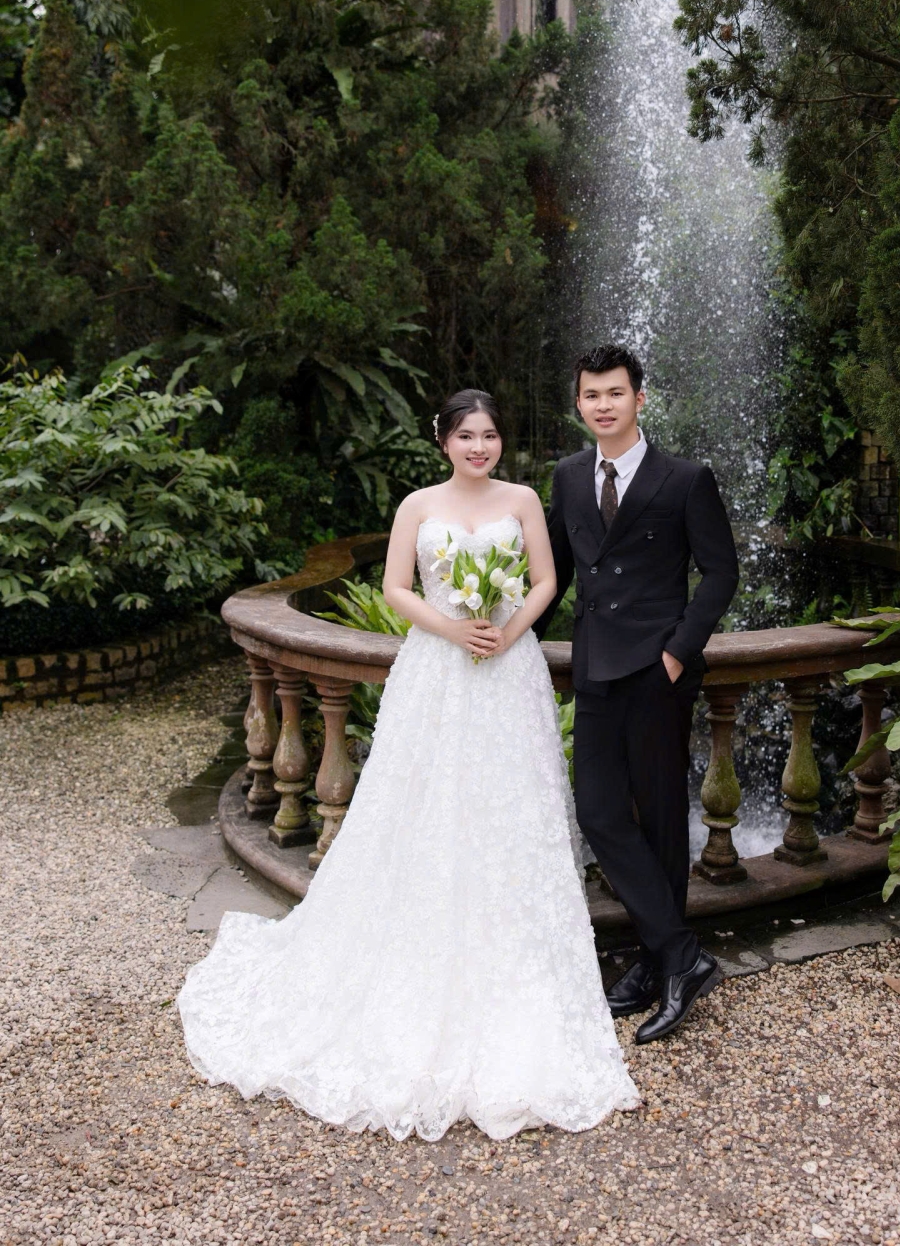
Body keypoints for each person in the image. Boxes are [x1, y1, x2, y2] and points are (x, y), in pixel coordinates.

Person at [177, 389, 639, 1142]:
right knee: (422, 806)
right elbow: (397, 587)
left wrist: (509, 630)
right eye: (466, 436)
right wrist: (454, 630)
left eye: (489, 435)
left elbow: (548, 581)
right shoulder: (417, 505)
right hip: (438, 668)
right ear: (444, 441)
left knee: (509, 809)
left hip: (509, 670)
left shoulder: (523, 500)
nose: (479, 447)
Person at [536, 345, 739, 1044]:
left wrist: (678, 653)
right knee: (598, 813)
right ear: (579, 403)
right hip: (595, 669)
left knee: (659, 821)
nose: (603, 405)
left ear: (639, 399)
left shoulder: (685, 479)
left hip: (657, 674)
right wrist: (508, 633)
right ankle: (680, 956)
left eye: (615, 393)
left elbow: (720, 573)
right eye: (591, 395)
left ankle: (658, 965)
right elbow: (556, 573)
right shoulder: (568, 477)